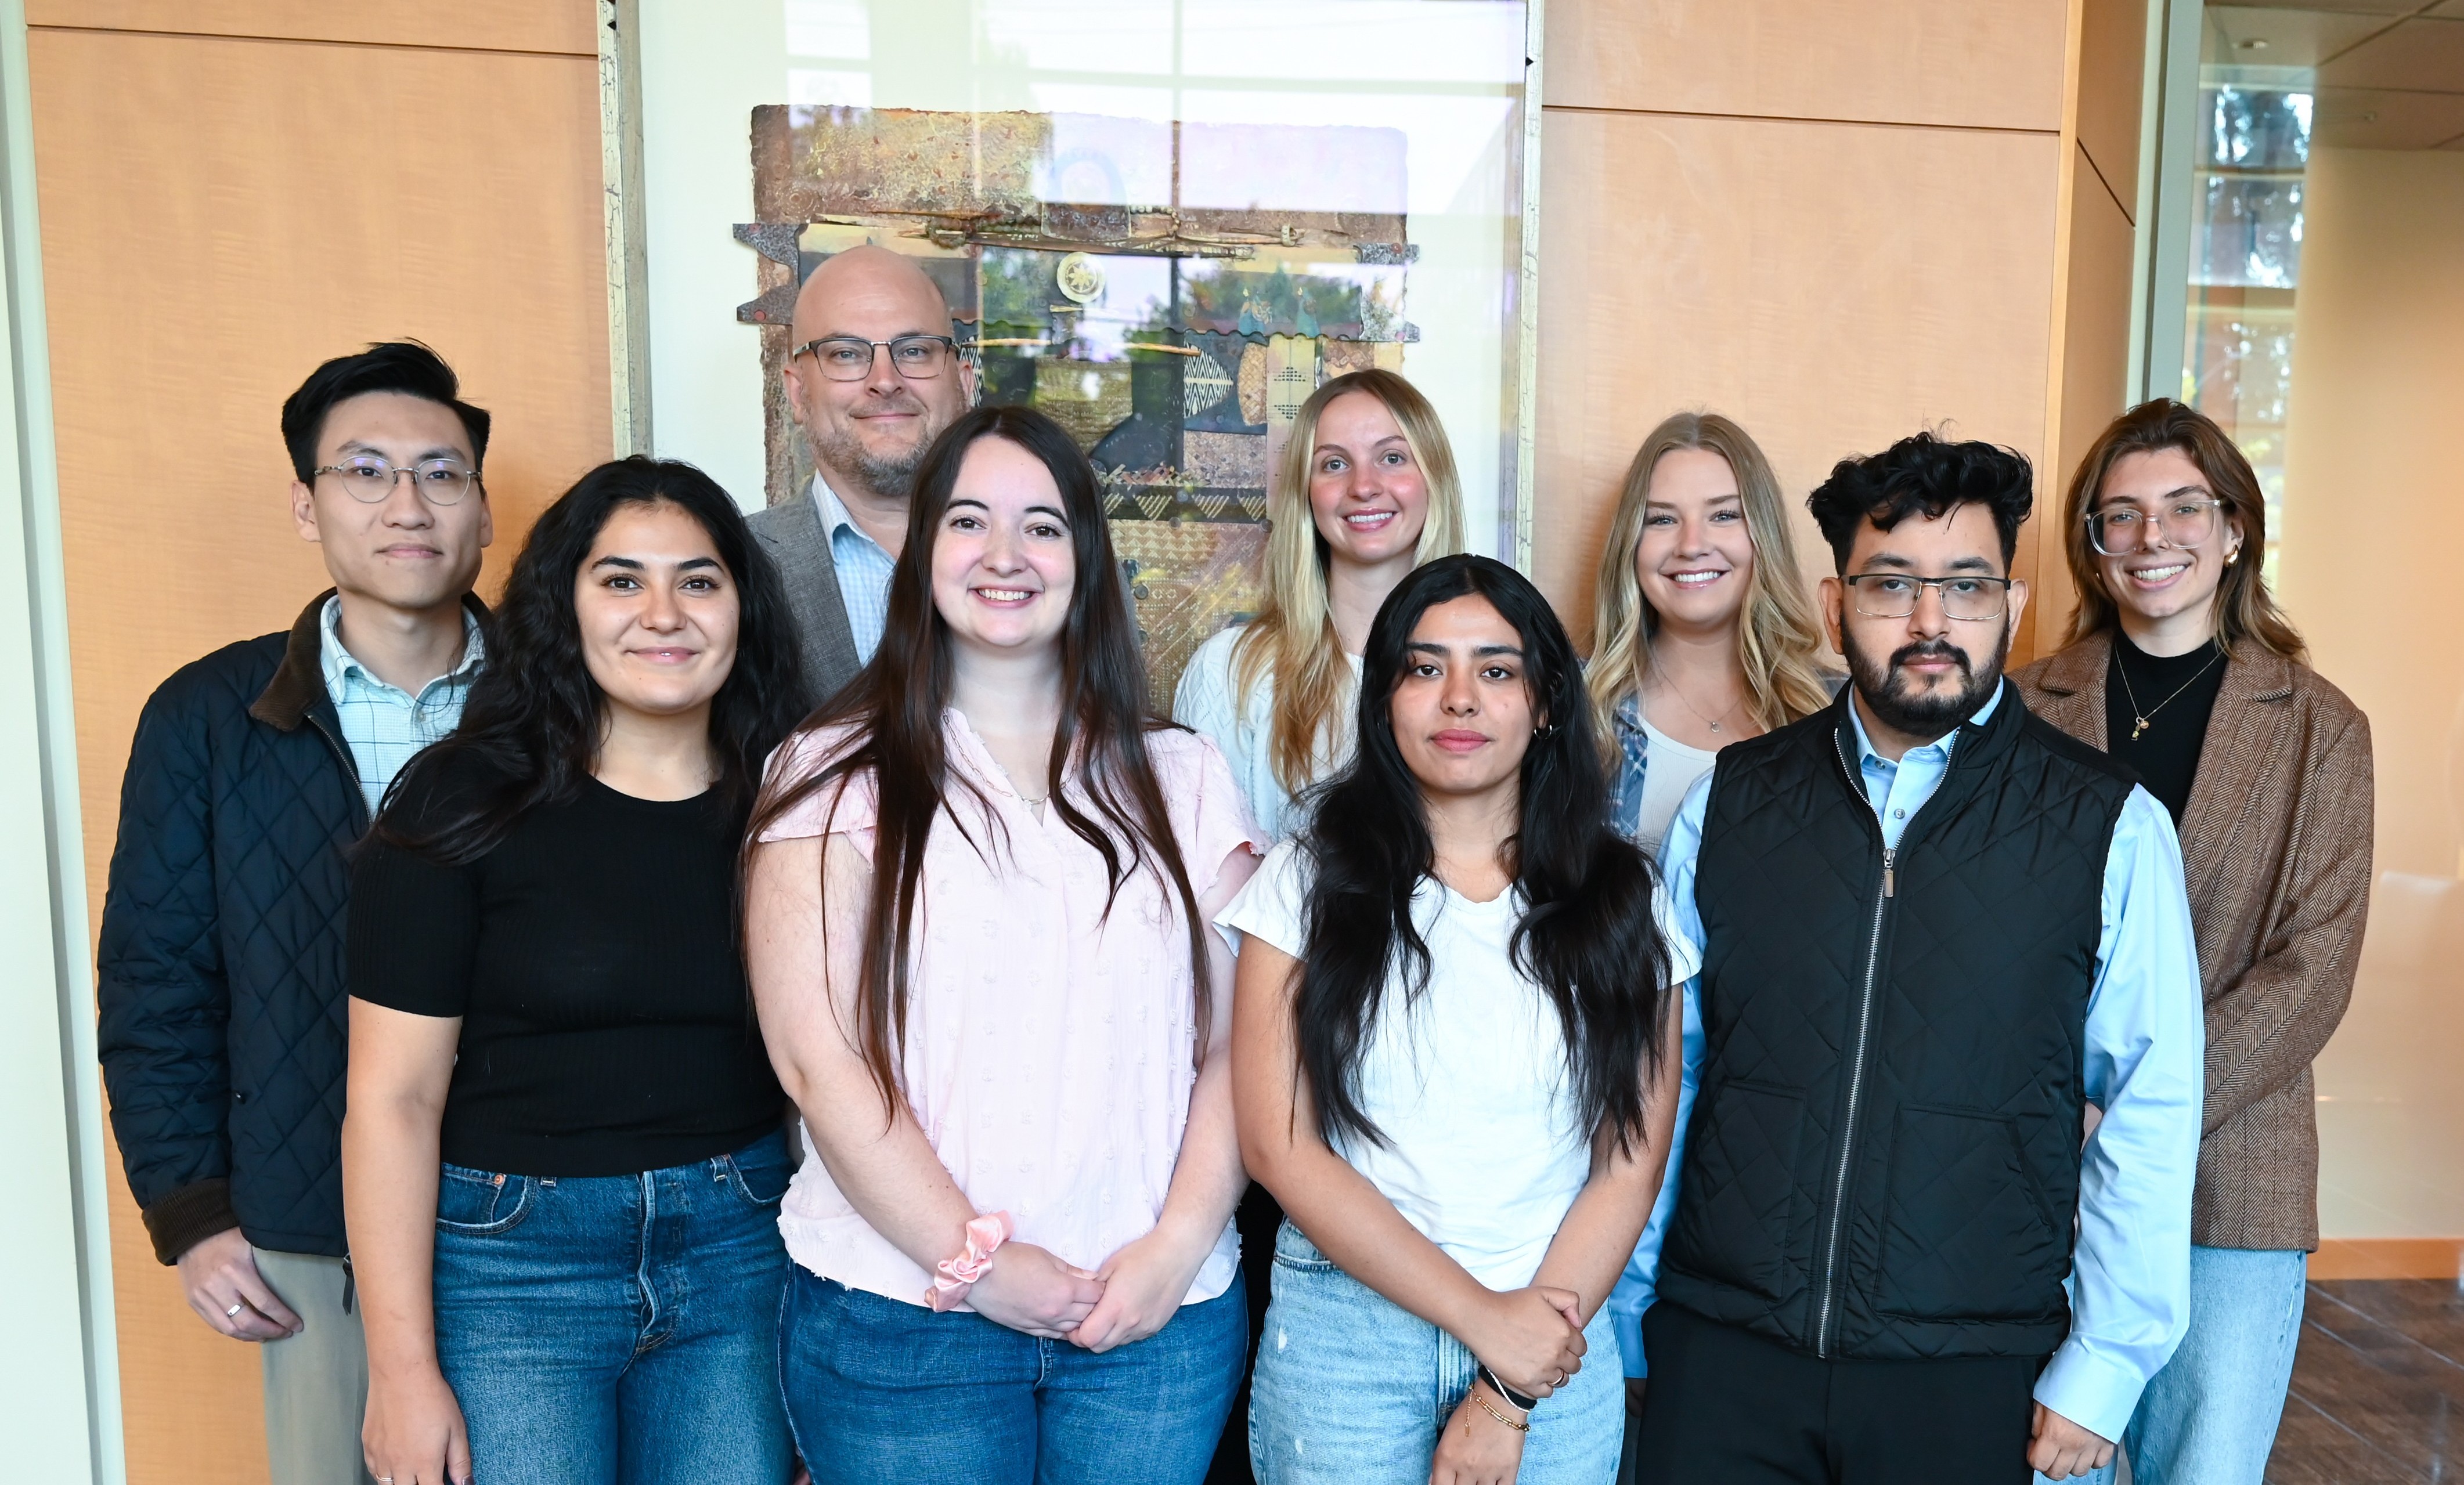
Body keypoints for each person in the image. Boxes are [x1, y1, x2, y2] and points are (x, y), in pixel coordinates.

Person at [1630, 432, 2206, 1483]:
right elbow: (1667, 1080)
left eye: (1968, 585)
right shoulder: (1732, 801)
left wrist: (2105, 1365)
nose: (1933, 621)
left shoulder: (2110, 824)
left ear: (2015, 602)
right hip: (1723, 1348)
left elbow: (2151, 1105)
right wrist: (1629, 1313)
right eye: (1894, 583)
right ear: (1833, 599)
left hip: (1975, 1369)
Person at [745, 404, 1262, 1484]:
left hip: (1151, 1322)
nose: (1005, 556)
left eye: (1041, 526)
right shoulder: (827, 770)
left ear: (1086, 556)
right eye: (970, 521)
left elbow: (1243, 1042)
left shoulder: (1184, 773)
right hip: (903, 1320)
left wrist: (1173, 1248)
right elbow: (815, 1057)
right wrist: (970, 1259)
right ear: (922, 549)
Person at [345, 458, 809, 1485]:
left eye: (698, 580)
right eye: (620, 580)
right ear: (565, 603)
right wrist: (400, 1369)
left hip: (741, 1248)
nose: (662, 613)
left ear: (742, 606)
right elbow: (391, 1097)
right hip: (514, 1262)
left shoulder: (796, 804)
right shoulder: (460, 800)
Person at [96, 342, 494, 1485]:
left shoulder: (555, 699)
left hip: (531, 1207)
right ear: (305, 503)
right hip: (309, 1219)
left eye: (442, 472)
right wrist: (193, 1208)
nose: (407, 504)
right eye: (365, 471)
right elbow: (157, 976)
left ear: (479, 504)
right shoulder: (207, 716)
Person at [1228, 553, 1694, 1484]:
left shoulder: (1622, 896)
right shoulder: (1305, 878)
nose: (1459, 698)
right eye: (1424, 666)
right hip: (1346, 1342)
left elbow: (1631, 1158)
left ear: (1546, 700)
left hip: (1554, 1328)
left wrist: (1510, 1386)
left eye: (1495, 669)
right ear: (1386, 697)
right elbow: (1279, 1145)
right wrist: (1488, 1326)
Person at [2014, 399, 2371, 1485]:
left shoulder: (2321, 725)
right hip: (2041, 1162)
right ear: (2091, 541)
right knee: (2047, 1467)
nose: (2150, 537)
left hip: (2234, 1177)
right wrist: (2048, 1106)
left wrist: (2133, 1109)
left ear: (2234, 529)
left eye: (2181, 507)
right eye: (2118, 515)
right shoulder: (2026, 703)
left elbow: (2314, 965)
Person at [1582, 411, 1838, 1477]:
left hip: (1784, 1152)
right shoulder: (1576, 723)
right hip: (1602, 1135)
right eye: (1661, 517)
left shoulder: (1837, 714)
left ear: (1763, 535)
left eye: (1724, 512)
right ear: (1629, 548)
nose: (1693, 540)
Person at [1174, 367, 1469, 844]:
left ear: (1433, 478)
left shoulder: (1490, 677)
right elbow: (1201, 881)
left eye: (1392, 457)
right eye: (1333, 464)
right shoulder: (1227, 673)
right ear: (1305, 493)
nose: (1364, 485)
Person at [751, 244, 978, 704]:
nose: (885, 380)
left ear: (965, 382)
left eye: (914, 350)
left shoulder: (1059, 566)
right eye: (846, 354)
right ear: (797, 393)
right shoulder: (731, 566)